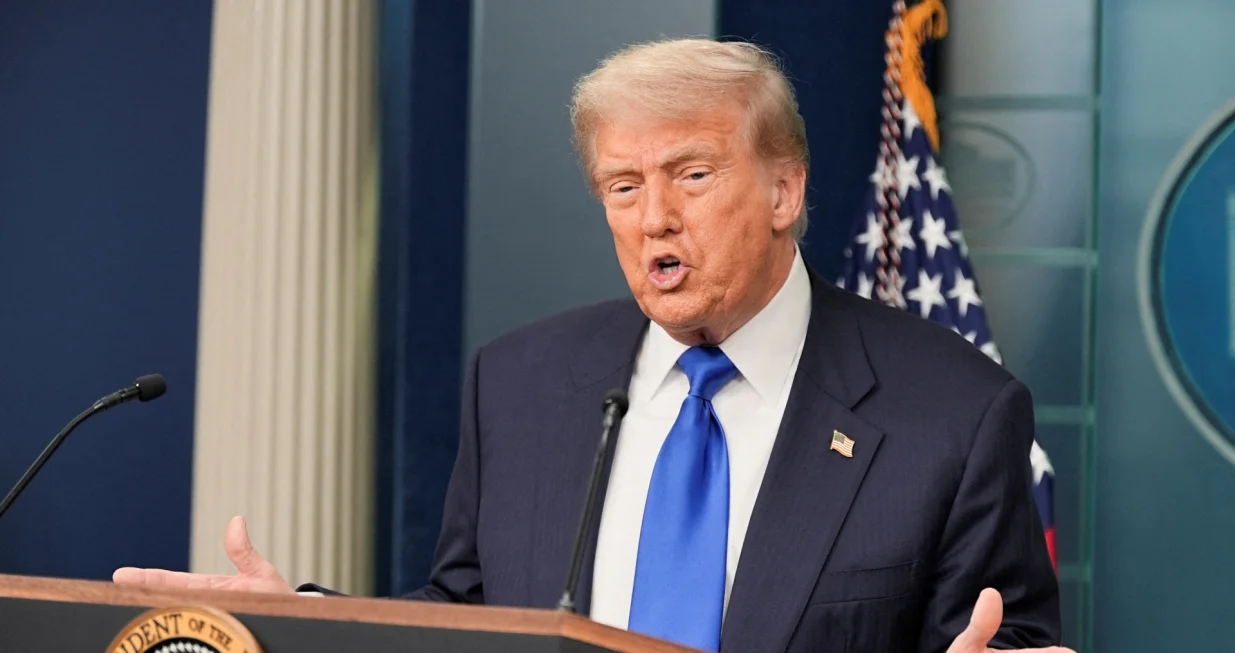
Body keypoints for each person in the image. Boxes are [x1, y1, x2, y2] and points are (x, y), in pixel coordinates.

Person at [114, 38, 1071, 653]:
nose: (654, 217)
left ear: (785, 192)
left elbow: (1003, 641)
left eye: (692, 175)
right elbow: (469, 618)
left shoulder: (950, 411)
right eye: (622, 186)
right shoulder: (522, 382)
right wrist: (308, 625)